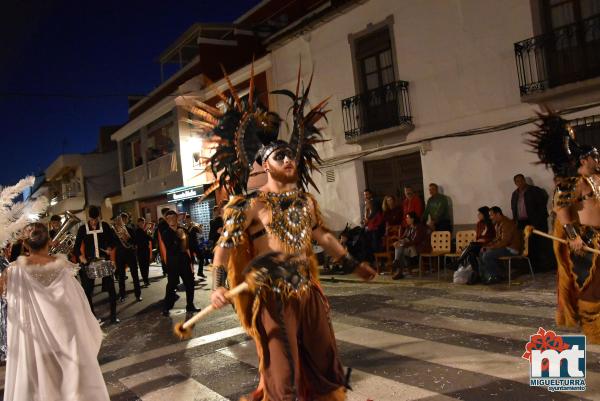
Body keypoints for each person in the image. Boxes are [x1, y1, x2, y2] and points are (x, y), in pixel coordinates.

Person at [194, 68, 376, 401]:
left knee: (326, 367)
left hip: (309, 293)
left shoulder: (306, 201)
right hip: (273, 297)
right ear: (263, 165)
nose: (289, 159)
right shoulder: (250, 204)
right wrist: (218, 286)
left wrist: (353, 264)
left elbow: (323, 237)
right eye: (281, 155)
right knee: (283, 374)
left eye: (291, 155)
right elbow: (222, 251)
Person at [2, 222, 110, 401]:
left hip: (34, 342)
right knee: (69, 384)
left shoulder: (12, 271)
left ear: (25, 244)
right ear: (50, 241)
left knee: (42, 384)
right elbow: (79, 305)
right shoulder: (65, 267)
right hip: (67, 338)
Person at [529, 112, 600, 342]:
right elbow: (561, 209)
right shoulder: (572, 183)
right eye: (594, 157)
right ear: (583, 160)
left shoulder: (597, 179)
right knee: (591, 287)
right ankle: (594, 330)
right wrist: (573, 237)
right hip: (586, 240)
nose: (598, 160)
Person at [73, 205, 120, 324]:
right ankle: (93, 318)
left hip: (104, 261)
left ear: (99, 217)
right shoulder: (83, 229)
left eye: (96, 220)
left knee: (111, 290)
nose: (94, 223)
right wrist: (81, 257)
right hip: (89, 262)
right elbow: (76, 247)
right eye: (92, 220)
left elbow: (114, 241)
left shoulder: (104, 226)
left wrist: (110, 248)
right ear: (89, 218)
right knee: (87, 291)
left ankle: (113, 316)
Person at [162, 210, 199, 316]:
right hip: (173, 263)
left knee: (190, 283)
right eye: (168, 218)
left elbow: (189, 246)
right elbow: (171, 249)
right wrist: (178, 238)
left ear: (177, 218)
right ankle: (166, 307)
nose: (171, 220)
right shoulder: (166, 233)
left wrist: (192, 260)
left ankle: (190, 305)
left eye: (173, 217)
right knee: (171, 285)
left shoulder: (183, 229)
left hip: (185, 261)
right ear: (166, 220)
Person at [449, 206, 496, 282]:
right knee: (471, 253)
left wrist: (484, 240)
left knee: (471, 246)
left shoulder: (491, 224)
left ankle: (458, 262)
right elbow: (477, 237)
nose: (478, 215)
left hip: (487, 245)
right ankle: (476, 274)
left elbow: (494, 237)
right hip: (478, 245)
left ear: (485, 214)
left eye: (480, 213)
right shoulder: (479, 224)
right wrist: (480, 240)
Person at [478, 206, 522, 284]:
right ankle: (487, 276)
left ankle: (496, 276)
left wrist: (490, 248)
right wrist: (487, 246)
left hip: (511, 249)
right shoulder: (498, 224)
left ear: (498, 214)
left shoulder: (507, 223)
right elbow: (497, 239)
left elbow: (505, 241)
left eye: (491, 215)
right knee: (481, 252)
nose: (490, 218)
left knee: (487, 255)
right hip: (505, 247)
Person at [392, 212, 431, 280]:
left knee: (400, 248)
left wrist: (402, 244)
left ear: (412, 219)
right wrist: (398, 242)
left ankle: (398, 267)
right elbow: (404, 237)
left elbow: (416, 241)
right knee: (399, 247)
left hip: (419, 248)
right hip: (411, 247)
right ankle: (397, 264)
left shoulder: (419, 227)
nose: (406, 219)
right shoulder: (409, 227)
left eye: (408, 218)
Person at [113, 213, 142, 302]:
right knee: (121, 276)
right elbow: (112, 243)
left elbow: (135, 241)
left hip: (130, 254)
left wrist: (127, 237)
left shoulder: (130, 229)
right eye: (119, 220)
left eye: (122, 220)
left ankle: (138, 295)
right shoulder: (114, 231)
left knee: (135, 275)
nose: (120, 222)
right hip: (120, 255)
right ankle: (122, 295)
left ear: (125, 221)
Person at [185, 214, 206, 279]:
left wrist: (198, 227)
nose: (188, 220)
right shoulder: (184, 227)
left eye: (189, 219)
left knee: (201, 258)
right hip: (188, 246)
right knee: (191, 261)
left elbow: (201, 232)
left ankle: (200, 272)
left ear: (190, 219)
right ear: (185, 220)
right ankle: (192, 274)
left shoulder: (194, 227)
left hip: (195, 245)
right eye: (186, 219)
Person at [134, 217, 153, 287]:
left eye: (143, 222)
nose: (142, 224)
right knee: (143, 266)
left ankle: (146, 280)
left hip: (146, 250)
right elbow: (148, 238)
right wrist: (147, 233)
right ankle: (145, 280)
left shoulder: (145, 231)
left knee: (146, 266)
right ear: (138, 223)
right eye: (141, 222)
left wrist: (149, 233)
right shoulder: (138, 231)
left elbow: (150, 239)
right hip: (140, 250)